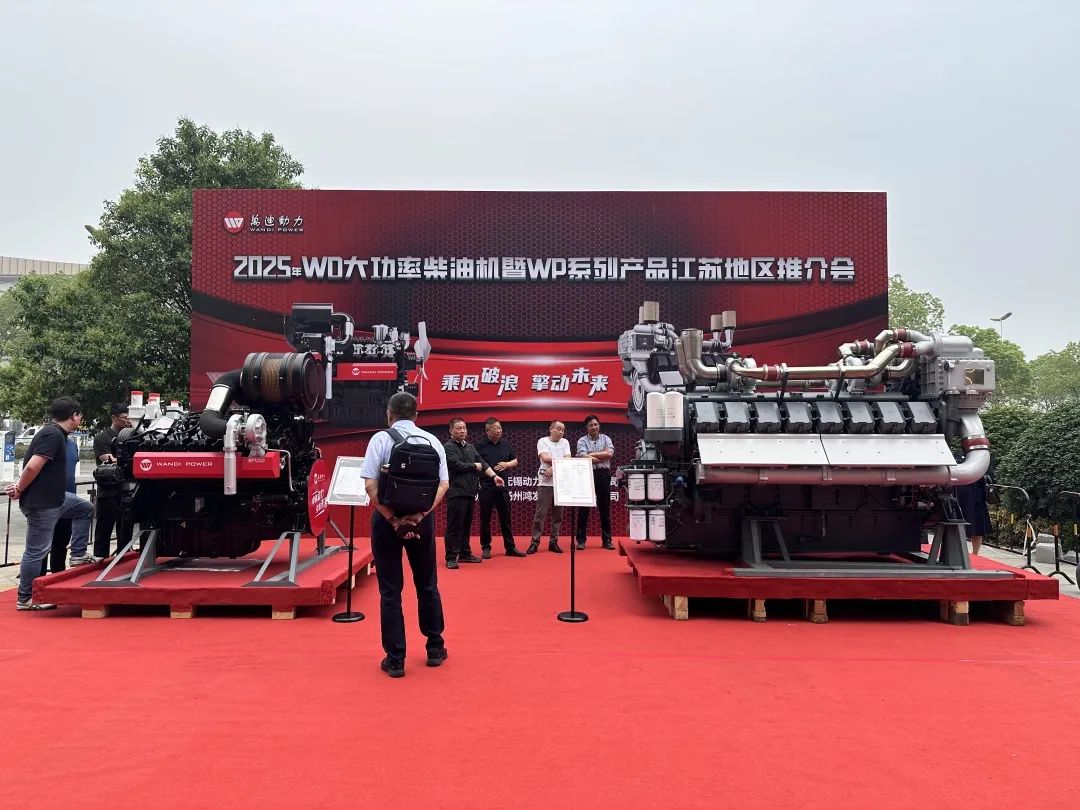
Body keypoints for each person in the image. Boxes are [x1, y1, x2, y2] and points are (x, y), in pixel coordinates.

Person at [360, 392, 450, 678]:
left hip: (387, 522)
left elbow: (371, 486)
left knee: (390, 590)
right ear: (416, 415)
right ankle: (435, 647)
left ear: (389, 414)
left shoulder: (380, 440)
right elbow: (443, 485)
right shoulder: (432, 441)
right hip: (422, 521)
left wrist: (394, 520)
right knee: (427, 584)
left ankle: (396, 659)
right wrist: (419, 518)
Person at [7, 397, 95, 611]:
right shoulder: (52, 434)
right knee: (37, 551)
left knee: (85, 508)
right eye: (80, 415)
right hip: (43, 503)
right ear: (74, 416)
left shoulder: (58, 435)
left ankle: (78, 555)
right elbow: (32, 467)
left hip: (57, 499)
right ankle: (25, 597)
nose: (81, 419)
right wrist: (19, 489)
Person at [443, 418, 504, 568]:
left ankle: (464, 553)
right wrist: (474, 466)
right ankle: (451, 557)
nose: (462, 431)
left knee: (466, 525)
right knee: (454, 525)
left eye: (464, 428)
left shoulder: (470, 447)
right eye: (459, 428)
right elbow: (455, 465)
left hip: (470, 492)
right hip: (456, 492)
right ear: (451, 431)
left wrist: (494, 476)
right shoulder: (448, 447)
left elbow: (482, 463)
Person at [475, 417, 526, 558]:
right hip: (486, 487)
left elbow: (515, 460)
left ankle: (510, 547)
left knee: (506, 518)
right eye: (495, 428)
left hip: (502, 487)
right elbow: (477, 464)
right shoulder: (479, 446)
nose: (499, 430)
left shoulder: (506, 444)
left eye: (500, 428)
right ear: (487, 431)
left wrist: (507, 464)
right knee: (485, 519)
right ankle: (486, 547)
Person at [93, 403, 134, 558]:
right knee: (104, 529)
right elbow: (108, 459)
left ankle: (125, 558)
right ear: (114, 418)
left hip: (127, 490)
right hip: (108, 491)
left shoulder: (132, 436)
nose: (128, 420)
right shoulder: (102, 437)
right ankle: (100, 558)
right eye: (125, 417)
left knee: (125, 529)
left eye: (130, 417)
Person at [574, 414, 616, 550]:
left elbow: (609, 454)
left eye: (596, 424)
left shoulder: (606, 438)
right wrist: (601, 456)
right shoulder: (582, 441)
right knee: (583, 509)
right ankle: (581, 540)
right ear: (586, 427)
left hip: (603, 474)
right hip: (587, 474)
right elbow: (583, 456)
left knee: (605, 508)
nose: (594, 427)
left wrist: (591, 454)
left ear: (599, 425)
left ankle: (607, 540)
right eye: (591, 425)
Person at [529, 420, 571, 554]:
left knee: (558, 516)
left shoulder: (565, 442)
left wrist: (553, 468)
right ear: (551, 429)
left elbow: (568, 459)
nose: (561, 432)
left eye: (563, 430)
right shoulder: (543, 441)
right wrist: (559, 463)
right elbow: (545, 458)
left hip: (561, 483)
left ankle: (553, 542)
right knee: (540, 515)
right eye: (558, 429)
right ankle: (534, 542)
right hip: (545, 483)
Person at [42, 431, 80, 576]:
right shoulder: (46, 443)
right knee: (42, 545)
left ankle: (57, 576)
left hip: (68, 500)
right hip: (47, 501)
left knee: (61, 542)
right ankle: (37, 578)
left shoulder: (73, 445)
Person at [955, 474, 992, 556]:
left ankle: (975, 553)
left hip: (975, 491)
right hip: (963, 488)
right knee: (959, 524)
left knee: (977, 525)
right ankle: (964, 552)